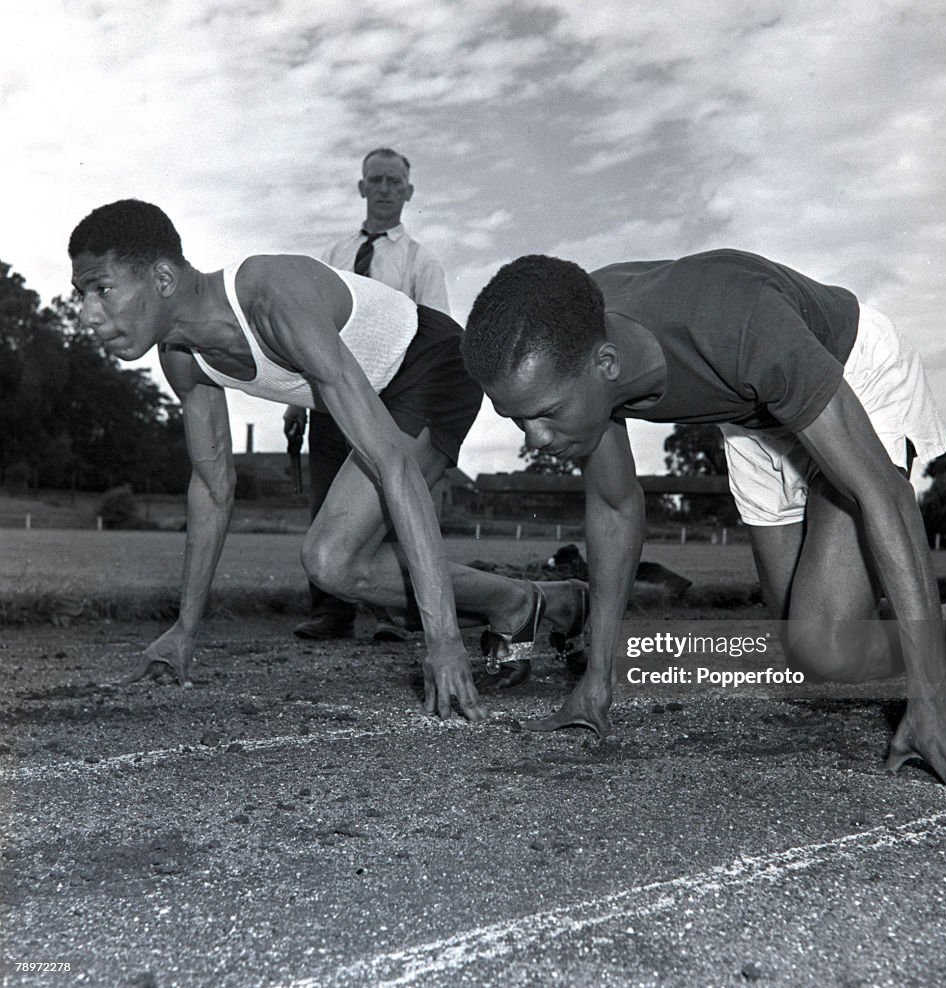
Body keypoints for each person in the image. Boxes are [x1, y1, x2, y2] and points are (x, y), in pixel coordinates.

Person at [462, 249, 946, 790]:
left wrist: (930, 700)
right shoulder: (577, 345)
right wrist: (596, 682)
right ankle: (889, 612)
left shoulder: (738, 320)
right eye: (516, 419)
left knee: (826, 647)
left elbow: (886, 496)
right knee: (803, 647)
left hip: (851, 374)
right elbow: (613, 506)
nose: (533, 440)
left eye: (547, 415)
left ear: (606, 365)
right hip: (752, 416)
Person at [68, 199, 588, 719]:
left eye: (103, 289)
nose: (89, 315)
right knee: (331, 564)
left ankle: (515, 604)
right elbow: (211, 488)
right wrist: (184, 629)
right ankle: (529, 600)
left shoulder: (271, 297)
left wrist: (443, 640)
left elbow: (394, 466)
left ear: (161, 278)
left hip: (429, 363)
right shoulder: (182, 358)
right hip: (371, 390)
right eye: (82, 295)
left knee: (333, 554)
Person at [284, 148, 450, 642]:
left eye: (393, 181)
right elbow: (308, 329)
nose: (383, 189)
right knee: (326, 504)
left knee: (390, 503)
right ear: (361, 187)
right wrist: (297, 397)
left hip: (391, 402)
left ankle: (393, 615)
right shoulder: (334, 256)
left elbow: (439, 335)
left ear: (408, 192)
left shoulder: (421, 261)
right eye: (375, 180)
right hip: (331, 397)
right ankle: (330, 612)